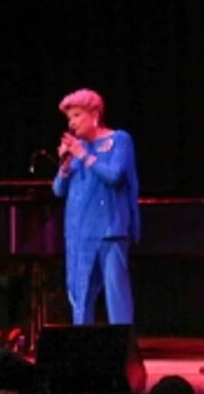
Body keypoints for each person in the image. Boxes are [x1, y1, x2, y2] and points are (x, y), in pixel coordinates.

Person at [52, 88, 139, 325]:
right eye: (69, 118)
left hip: (110, 229)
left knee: (116, 294)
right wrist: (65, 165)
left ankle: (123, 349)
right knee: (81, 294)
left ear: (95, 114)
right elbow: (58, 190)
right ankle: (84, 350)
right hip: (81, 231)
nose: (72, 123)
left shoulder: (119, 139)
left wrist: (83, 155)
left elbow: (115, 176)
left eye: (77, 115)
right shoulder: (78, 149)